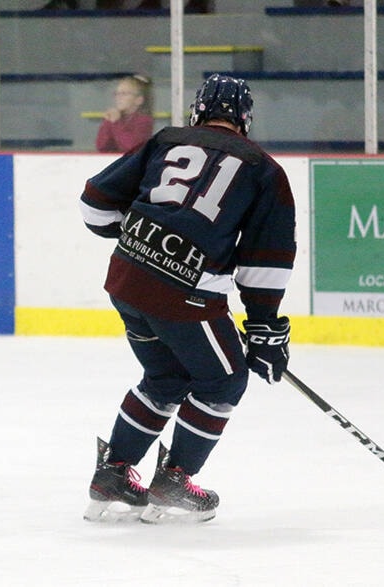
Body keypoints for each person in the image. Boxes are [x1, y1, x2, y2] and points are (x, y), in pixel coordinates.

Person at [80, 74, 296, 524]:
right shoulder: (263, 169)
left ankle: (113, 475)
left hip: (126, 278)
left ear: (198, 110)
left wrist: (148, 240)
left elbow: (95, 203)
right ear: (244, 119)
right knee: (224, 382)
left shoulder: (166, 139)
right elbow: (265, 261)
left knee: (166, 376)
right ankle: (175, 480)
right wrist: (264, 325)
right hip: (185, 297)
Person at [95, 74, 154, 153]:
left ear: (138, 100)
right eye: (117, 93)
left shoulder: (144, 121)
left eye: (124, 94)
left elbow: (132, 147)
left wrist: (116, 123)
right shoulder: (116, 118)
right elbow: (101, 146)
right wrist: (108, 122)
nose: (119, 97)